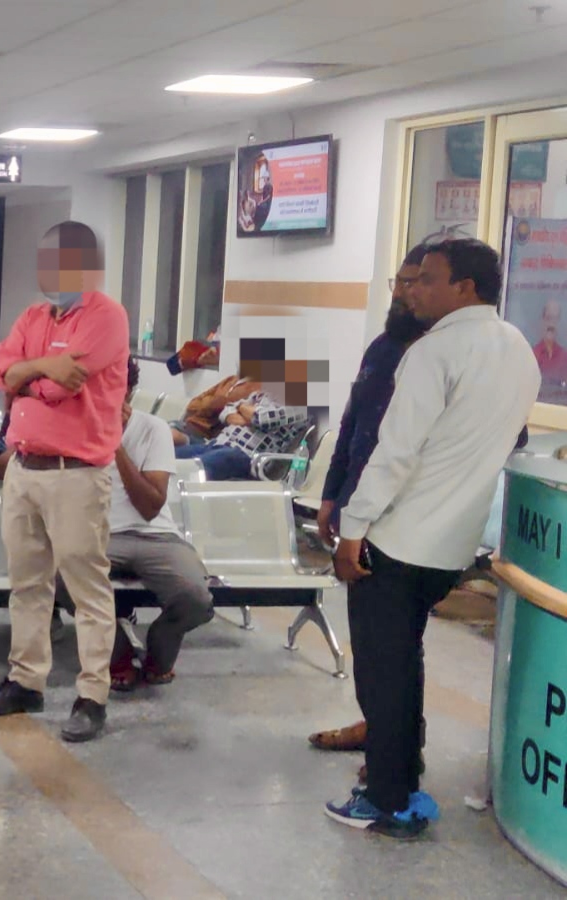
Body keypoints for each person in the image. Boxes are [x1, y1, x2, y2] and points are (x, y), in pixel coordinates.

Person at [325, 238, 539, 840]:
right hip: (450, 548)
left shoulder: (432, 352)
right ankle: (405, 779)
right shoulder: (519, 349)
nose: (413, 289)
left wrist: (352, 530)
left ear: (464, 287)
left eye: (427, 279)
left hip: (397, 541)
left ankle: (386, 801)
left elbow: (395, 454)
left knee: (382, 673)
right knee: (405, 661)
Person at [0, 220, 129, 744]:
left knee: (86, 591)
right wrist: (38, 368)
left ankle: (92, 696)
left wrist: (25, 377)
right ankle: (25, 681)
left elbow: (65, 387)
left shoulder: (106, 316)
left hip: (76, 475)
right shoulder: (34, 316)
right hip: (23, 470)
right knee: (27, 584)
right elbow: (0, 372)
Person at [307, 246, 430, 756]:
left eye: (415, 282)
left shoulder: (436, 356)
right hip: (357, 510)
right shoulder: (383, 348)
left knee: (394, 644)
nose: (403, 293)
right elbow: (353, 425)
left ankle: (395, 750)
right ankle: (377, 726)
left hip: (401, 519)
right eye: (398, 282)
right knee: (370, 637)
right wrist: (331, 496)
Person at [94, 357, 213, 690]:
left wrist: (116, 447)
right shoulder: (77, 430)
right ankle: (118, 654)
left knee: (195, 599)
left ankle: (159, 647)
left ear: (128, 393)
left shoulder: (152, 429)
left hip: (156, 536)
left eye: (114, 389)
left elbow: (150, 506)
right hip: (100, 537)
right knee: (63, 578)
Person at [174, 384, 309, 481]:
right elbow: (227, 410)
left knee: (191, 469)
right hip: (218, 443)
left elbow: (261, 418)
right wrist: (242, 409)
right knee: (170, 458)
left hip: (248, 456)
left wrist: (243, 410)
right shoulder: (265, 395)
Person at [170, 372, 261, 446]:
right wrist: (211, 403)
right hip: (186, 425)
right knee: (162, 431)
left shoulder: (257, 389)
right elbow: (192, 405)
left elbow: (225, 412)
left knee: (169, 438)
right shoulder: (231, 379)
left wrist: (211, 403)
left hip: (206, 437)